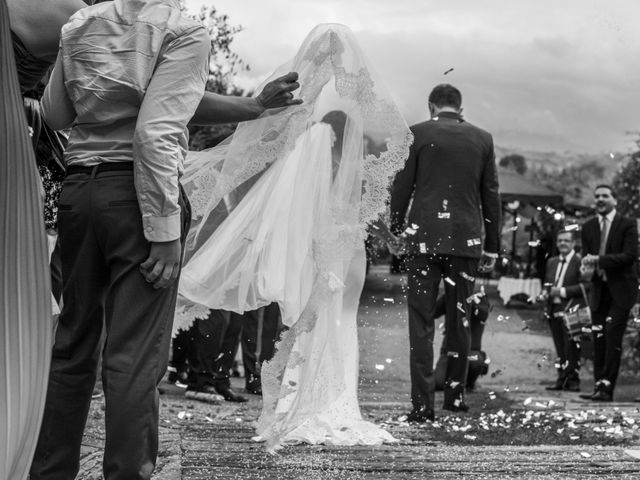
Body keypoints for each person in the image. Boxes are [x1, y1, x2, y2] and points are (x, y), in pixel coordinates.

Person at [28, 1, 301, 479]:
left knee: (71, 347)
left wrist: (254, 106)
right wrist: (163, 233)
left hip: (80, 196)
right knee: (133, 357)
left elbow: (53, 113)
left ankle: (49, 472)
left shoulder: (80, 25)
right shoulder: (182, 30)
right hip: (136, 200)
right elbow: (155, 131)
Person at [176, 24, 413, 451]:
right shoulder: (346, 139)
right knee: (340, 322)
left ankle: (303, 399)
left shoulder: (311, 134)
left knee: (316, 318)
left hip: (316, 244)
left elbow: (290, 200)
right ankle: (337, 401)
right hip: (343, 246)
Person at [389, 83, 501, 420]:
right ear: (460, 107)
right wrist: (492, 247)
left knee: (421, 320)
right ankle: (454, 395)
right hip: (466, 241)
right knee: (460, 319)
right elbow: (490, 196)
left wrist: (397, 231)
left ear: (430, 105)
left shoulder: (416, 134)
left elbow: (402, 188)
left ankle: (423, 405)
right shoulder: (483, 139)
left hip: (423, 239)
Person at [579, 185, 638, 402]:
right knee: (599, 337)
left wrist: (599, 260)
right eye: (597, 196)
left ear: (615, 199)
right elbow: (587, 257)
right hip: (599, 290)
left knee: (612, 333)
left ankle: (607, 387)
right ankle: (598, 386)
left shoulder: (627, 224)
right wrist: (586, 268)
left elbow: (630, 256)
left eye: (605, 196)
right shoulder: (588, 227)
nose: (600, 199)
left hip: (621, 291)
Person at [538, 229, 588, 392]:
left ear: (573, 243)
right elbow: (547, 283)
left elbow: (587, 286)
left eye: (566, 240)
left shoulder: (580, 261)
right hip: (554, 308)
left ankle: (573, 380)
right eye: (560, 241)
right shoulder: (551, 262)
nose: (562, 244)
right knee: (559, 346)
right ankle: (561, 378)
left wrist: (562, 291)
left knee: (572, 346)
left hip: (573, 309)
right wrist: (545, 293)